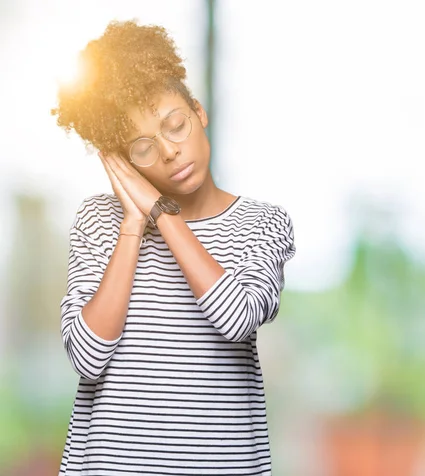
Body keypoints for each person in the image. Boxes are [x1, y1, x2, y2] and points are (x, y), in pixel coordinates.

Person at [52, 20, 296, 476]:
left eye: (174, 125)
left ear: (198, 111)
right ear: (122, 159)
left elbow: (236, 319)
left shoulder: (263, 223)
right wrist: (132, 219)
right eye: (142, 147)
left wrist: (162, 213)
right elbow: (86, 358)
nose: (168, 151)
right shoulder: (97, 221)